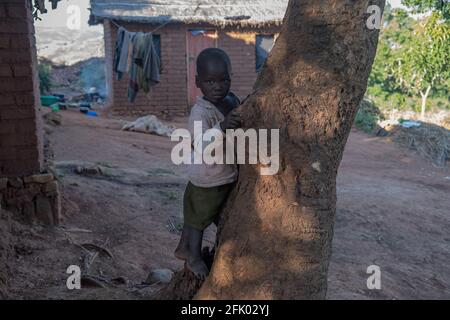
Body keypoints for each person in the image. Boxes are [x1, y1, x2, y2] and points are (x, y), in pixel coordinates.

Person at [174, 48, 241, 278]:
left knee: (196, 214)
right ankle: (193, 256)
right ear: (197, 82)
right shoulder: (199, 113)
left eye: (223, 80)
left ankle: (184, 247)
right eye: (210, 81)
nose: (217, 86)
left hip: (221, 171)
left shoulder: (231, 100)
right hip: (208, 176)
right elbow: (201, 143)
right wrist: (221, 127)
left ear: (231, 78)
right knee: (198, 220)